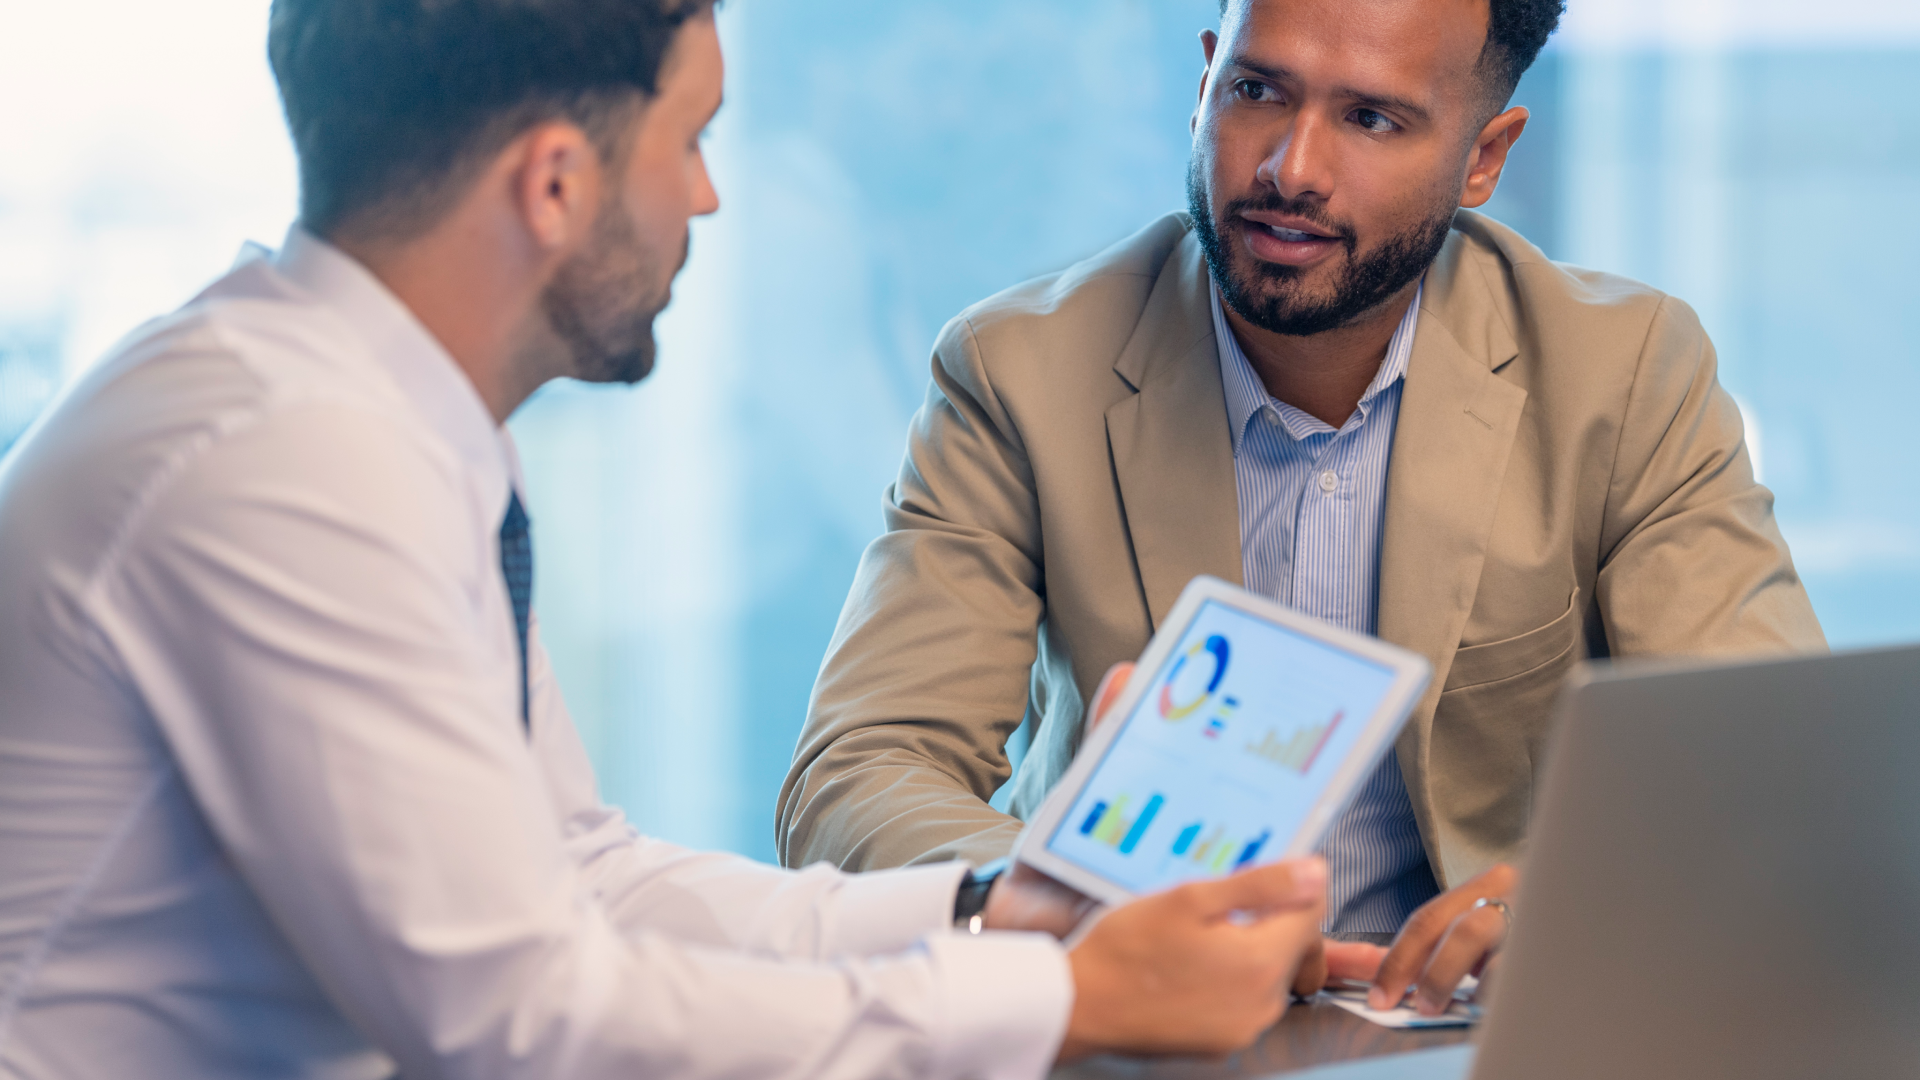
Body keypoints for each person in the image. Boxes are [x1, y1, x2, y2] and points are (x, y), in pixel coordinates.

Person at [0, 2, 1346, 1076]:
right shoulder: (288, 461)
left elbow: (578, 876)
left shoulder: (368, 422)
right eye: (691, 140)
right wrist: (1054, 998)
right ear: (556, 182)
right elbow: (523, 1021)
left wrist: (999, 907)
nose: (707, 198)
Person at [778, 0, 1826, 1016]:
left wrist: (1570, 895)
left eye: (1372, 118)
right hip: (1137, 1030)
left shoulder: (1623, 373)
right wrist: (1057, 902)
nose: (1291, 169)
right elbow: (861, 770)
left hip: (1474, 1034)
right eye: (1257, 91)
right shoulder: (1018, 373)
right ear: (1202, 85)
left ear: (1484, 157)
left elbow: (1771, 777)